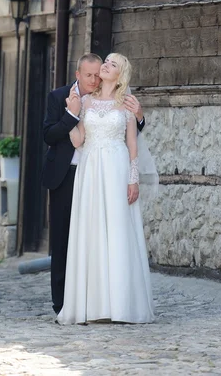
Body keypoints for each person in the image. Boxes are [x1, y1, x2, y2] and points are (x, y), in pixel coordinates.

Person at [42, 53, 145, 315]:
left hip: (111, 170)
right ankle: (65, 303)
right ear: (78, 75)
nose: (95, 78)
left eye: (98, 72)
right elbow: (54, 135)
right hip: (73, 174)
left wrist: (140, 117)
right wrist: (71, 114)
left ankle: (114, 300)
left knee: (113, 232)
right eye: (89, 75)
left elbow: (129, 134)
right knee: (71, 238)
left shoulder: (121, 101)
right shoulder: (66, 98)